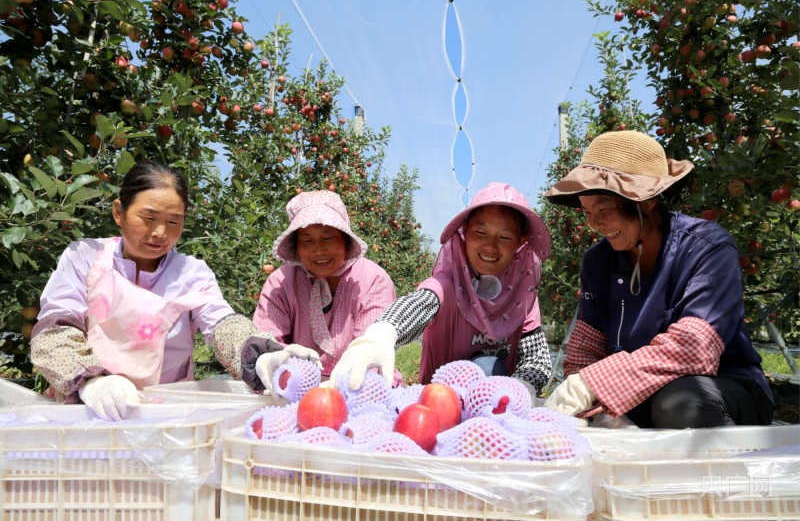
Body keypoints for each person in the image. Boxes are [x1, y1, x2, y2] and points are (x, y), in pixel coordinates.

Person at [542, 130, 774, 428]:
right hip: (639, 390)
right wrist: (588, 400)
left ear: (647, 200)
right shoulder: (598, 262)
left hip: (724, 387)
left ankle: (724, 473)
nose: (595, 224)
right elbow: (587, 348)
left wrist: (591, 385)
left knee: (681, 403)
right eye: (587, 212)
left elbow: (695, 348)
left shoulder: (707, 249)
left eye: (605, 209)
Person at [30, 160, 287, 420]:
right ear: (119, 212)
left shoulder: (191, 273)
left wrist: (261, 356)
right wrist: (91, 381)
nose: (160, 232)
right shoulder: (84, 258)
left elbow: (222, 325)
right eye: (149, 218)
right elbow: (55, 329)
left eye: (174, 221)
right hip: (86, 409)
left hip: (164, 415)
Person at [329, 182, 553, 394]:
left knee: (488, 366)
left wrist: (522, 386)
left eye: (504, 237)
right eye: (480, 233)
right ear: (464, 231)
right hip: (439, 405)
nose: (490, 246)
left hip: (495, 411)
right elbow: (421, 303)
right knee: (485, 366)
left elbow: (537, 359)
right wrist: (383, 334)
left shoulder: (522, 296)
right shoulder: (449, 285)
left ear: (521, 241)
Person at [244, 190, 397, 393]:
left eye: (328, 237)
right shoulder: (281, 282)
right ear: (296, 246)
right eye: (307, 240)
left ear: (345, 239)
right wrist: (273, 362)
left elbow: (369, 356)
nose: (318, 250)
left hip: (360, 390)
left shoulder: (373, 280)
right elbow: (266, 342)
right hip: (295, 390)